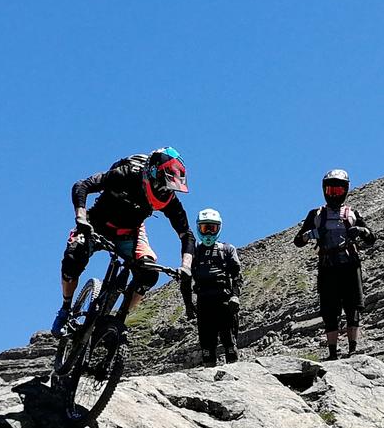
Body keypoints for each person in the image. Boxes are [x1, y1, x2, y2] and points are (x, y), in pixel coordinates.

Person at [53, 148, 194, 336]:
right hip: (95, 223)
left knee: (149, 274)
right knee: (73, 257)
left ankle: (118, 320)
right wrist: (81, 218)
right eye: (163, 184)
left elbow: (186, 235)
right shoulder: (126, 174)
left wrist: (186, 266)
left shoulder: (169, 200)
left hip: (130, 233)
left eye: (169, 187)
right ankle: (65, 309)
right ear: (152, 173)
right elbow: (82, 185)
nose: (165, 191)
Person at [293, 168, 375, 360]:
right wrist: (308, 235)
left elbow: (372, 238)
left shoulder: (352, 213)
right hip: (327, 265)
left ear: (345, 191)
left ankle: (352, 349)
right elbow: (298, 241)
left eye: (337, 191)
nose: (334, 194)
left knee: (353, 306)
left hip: (349, 264)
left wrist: (362, 231)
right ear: (324, 190)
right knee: (330, 308)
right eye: (331, 191)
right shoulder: (315, 214)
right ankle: (332, 353)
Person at [187, 207, 242, 365]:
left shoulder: (228, 249)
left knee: (230, 343)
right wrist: (188, 305)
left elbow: (237, 275)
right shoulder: (194, 252)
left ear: (219, 228)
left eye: (213, 228)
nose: (209, 233)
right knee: (206, 346)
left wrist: (235, 296)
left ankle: (236, 378)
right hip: (204, 303)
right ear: (199, 228)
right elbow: (186, 278)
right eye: (205, 228)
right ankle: (208, 380)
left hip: (225, 302)